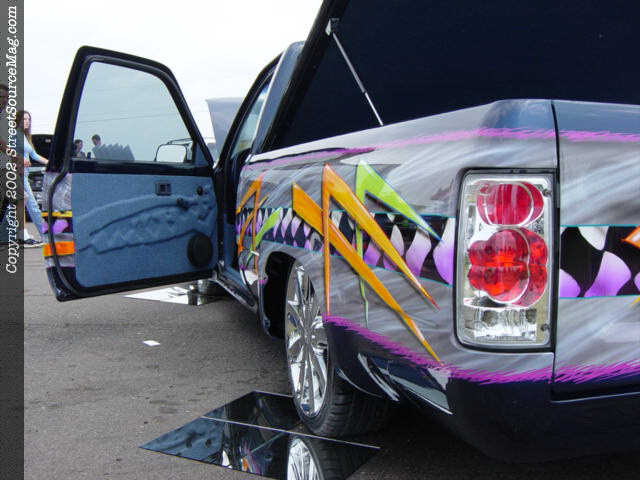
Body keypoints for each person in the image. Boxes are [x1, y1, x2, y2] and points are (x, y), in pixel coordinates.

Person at [17, 110, 49, 247]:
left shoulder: (25, 137)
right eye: (24, 119)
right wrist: (20, 160)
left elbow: (34, 155)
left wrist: (50, 163)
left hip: (24, 175)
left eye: (28, 119)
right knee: (32, 205)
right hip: (17, 174)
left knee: (27, 205)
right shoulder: (13, 135)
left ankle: (38, 235)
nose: (27, 122)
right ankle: (45, 236)